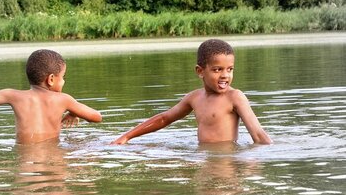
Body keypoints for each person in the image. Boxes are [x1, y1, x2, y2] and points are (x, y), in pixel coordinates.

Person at [112, 39, 272, 145]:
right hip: (204, 161)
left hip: (226, 165)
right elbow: (164, 119)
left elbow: (258, 134)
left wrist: (254, 168)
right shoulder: (194, 98)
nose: (225, 75)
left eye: (230, 69)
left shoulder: (235, 97)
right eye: (217, 70)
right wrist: (126, 137)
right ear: (200, 71)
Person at [0, 49, 102, 144]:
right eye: (63, 76)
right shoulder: (64, 100)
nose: (64, 81)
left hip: (25, 160)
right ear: (51, 79)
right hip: (55, 156)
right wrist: (74, 111)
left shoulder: (14, 96)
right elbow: (97, 117)